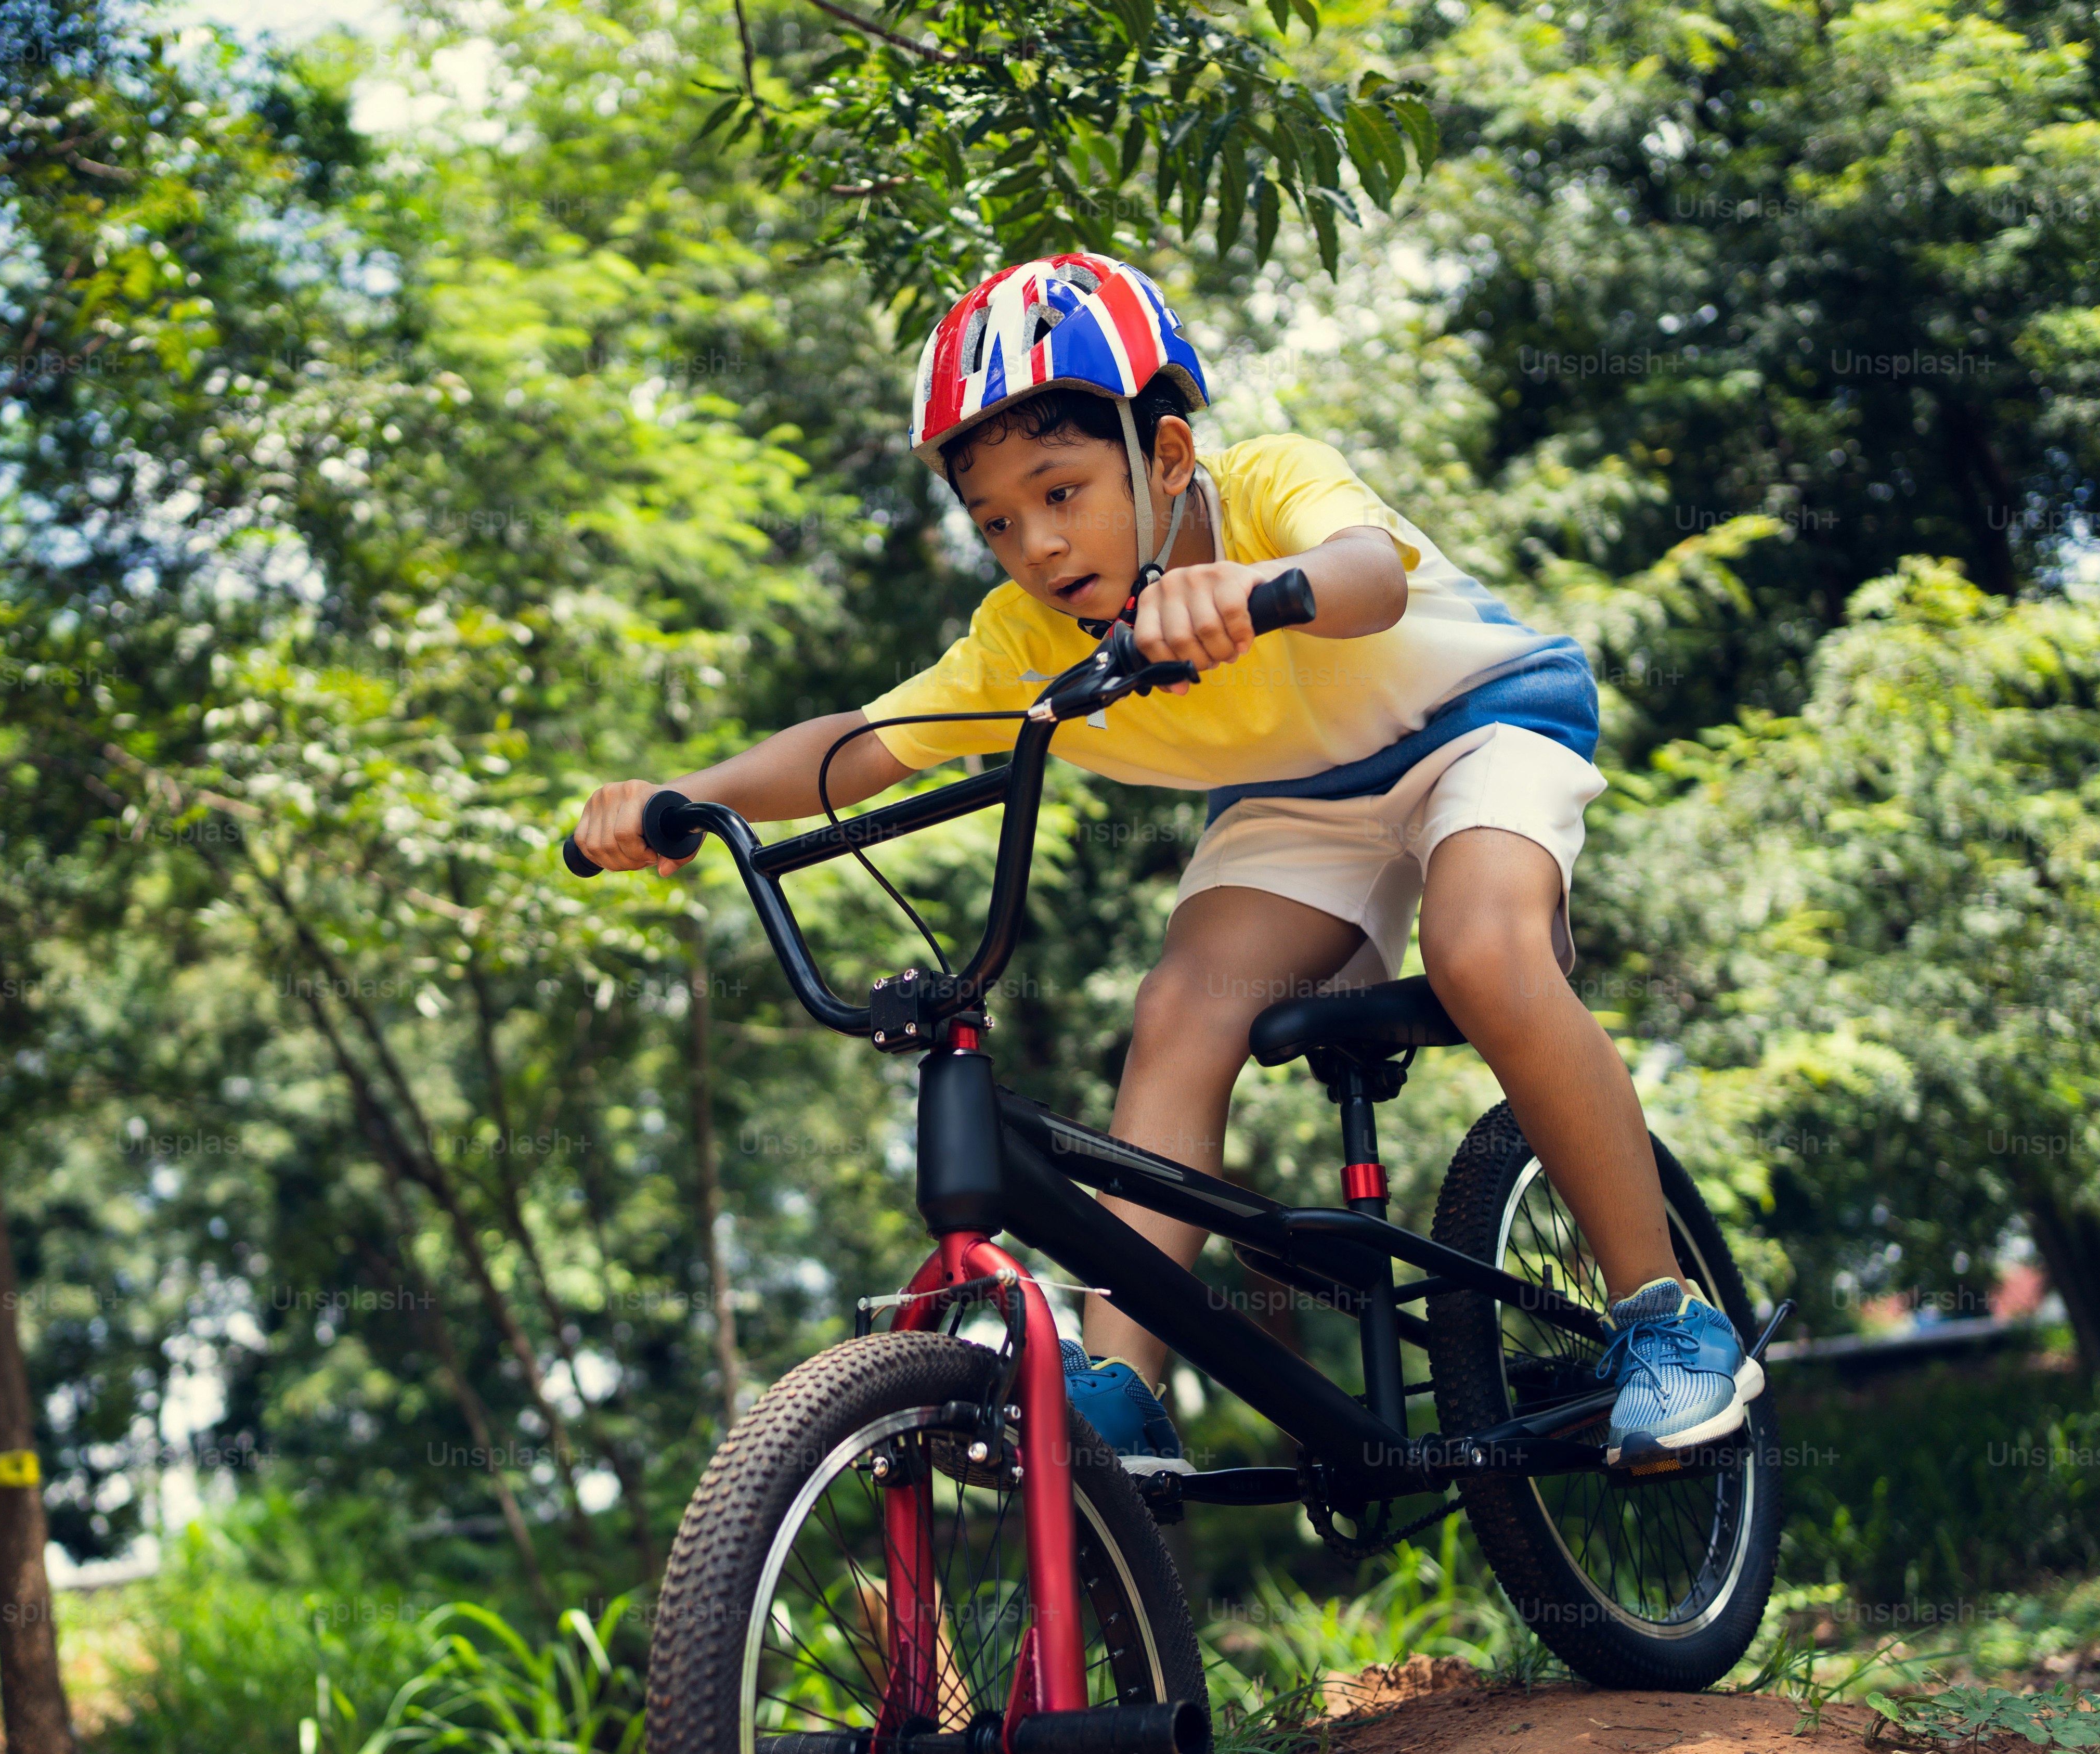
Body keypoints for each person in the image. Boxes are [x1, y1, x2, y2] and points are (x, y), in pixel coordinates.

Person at [569, 251, 1760, 1471]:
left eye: (1063, 490)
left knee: (1477, 948)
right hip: (1301, 798)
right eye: (995, 521)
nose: (1035, 542)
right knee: (1183, 1006)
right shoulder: (1026, 638)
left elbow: (1366, 577)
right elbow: (864, 748)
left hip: (1477, 723)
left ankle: (1667, 1319)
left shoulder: (1268, 486)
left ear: (1170, 458)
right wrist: (684, 797)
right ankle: (1124, 1392)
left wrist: (1249, 590)